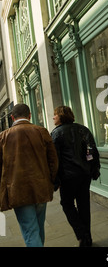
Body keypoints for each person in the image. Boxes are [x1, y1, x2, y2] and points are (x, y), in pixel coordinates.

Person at [0, 103, 59, 247]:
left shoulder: (3, 136)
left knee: (30, 231)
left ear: (12, 117)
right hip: (41, 187)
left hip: (18, 190)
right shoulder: (41, 131)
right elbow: (53, 161)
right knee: (38, 228)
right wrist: (51, 181)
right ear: (30, 115)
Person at [51, 106, 100, 247]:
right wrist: (94, 168)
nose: (53, 117)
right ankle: (87, 239)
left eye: (55, 115)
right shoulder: (82, 129)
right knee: (84, 205)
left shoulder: (56, 133)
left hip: (68, 177)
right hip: (84, 174)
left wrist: (56, 180)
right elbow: (93, 151)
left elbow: (55, 159)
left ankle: (82, 235)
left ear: (61, 116)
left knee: (67, 204)